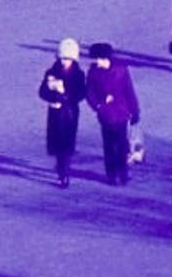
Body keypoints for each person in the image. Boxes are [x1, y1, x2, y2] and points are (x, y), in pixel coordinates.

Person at [85, 42, 140, 185]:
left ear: (105, 58)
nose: (97, 62)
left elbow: (129, 91)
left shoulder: (121, 70)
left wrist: (135, 111)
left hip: (121, 113)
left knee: (122, 145)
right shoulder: (93, 73)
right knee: (109, 146)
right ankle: (112, 175)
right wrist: (98, 105)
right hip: (105, 115)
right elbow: (89, 93)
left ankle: (123, 173)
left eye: (99, 59)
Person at [38, 38, 89, 187]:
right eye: (62, 58)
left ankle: (64, 173)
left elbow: (80, 94)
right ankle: (61, 167)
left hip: (69, 114)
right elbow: (42, 92)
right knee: (56, 144)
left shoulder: (78, 75)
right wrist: (51, 92)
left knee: (66, 145)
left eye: (67, 58)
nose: (64, 61)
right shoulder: (51, 72)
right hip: (54, 113)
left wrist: (63, 93)